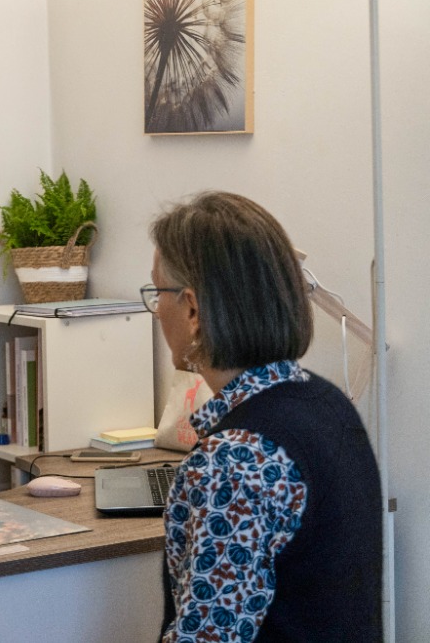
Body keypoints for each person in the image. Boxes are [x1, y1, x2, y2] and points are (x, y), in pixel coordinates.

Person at [144, 191, 382, 642]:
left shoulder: (234, 459)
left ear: (193, 309)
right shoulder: (329, 403)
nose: (156, 309)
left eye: (158, 292)